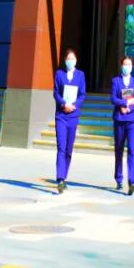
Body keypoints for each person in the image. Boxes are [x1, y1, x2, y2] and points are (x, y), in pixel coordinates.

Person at [52, 47, 85, 192]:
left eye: (73, 58)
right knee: (61, 147)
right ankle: (60, 179)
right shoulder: (59, 74)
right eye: (68, 59)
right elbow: (56, 92)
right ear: (65, 60)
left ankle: (64, 176)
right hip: (61, 115)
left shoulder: (80, 75)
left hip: (73, 115)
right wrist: (63, 104)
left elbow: (82, 94)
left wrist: (74, 105)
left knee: (69, 149)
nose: (70, 61)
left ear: (76, 60)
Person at [111, 54, 134, 195]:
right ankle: (119, 178)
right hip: (119, 120)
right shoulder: (116, 81)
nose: (126, 67)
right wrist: (124, 103)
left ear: (132, 66)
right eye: (125, 64)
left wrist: (130, 108)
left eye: (129, 64)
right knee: (119, 149)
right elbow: (113, 98)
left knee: (132, 150)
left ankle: (132, 182)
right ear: (121, 65)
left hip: (132, 121)